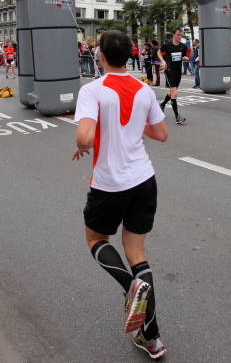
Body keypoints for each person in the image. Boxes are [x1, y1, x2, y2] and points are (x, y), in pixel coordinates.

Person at [72, 30, 169, 359]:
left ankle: (130, 287)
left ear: (100, 56)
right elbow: (162, 134)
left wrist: (83, 142)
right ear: (129, 56)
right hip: (143, 178)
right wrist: (133, 125)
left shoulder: (92, 90)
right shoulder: (144, 89)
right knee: (135, 251)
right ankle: (152, 338)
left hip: (110, 183)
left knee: (96, 239)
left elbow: (85, 138)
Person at [157, 28, 188, 124]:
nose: (180, 36)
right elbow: (158, 52)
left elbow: (184, 55)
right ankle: (177, 117)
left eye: (181, 35)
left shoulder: (183, 46)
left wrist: (185, 57)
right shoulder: (167, 45)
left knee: (172, 92)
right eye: (178, 34)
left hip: (178, 71)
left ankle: (162, 104)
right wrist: (163, 61)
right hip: (169, 71)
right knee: (174, 93)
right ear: (173, 35)